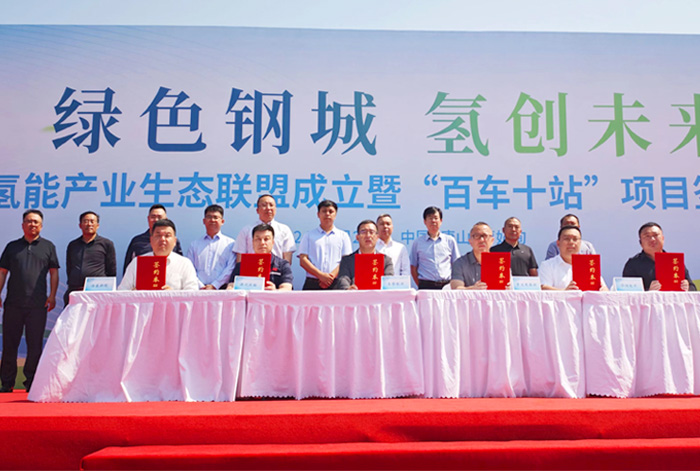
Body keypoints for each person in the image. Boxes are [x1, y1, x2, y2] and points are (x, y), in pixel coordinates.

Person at [0, 210, 59, 393]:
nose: (32, 224)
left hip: (38, 304)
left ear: (41, 225)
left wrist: (52, 296)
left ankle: (31, 382)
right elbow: (2, 272)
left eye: (36, 222)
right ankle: (6, 382)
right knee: (9, 344)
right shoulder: (12, 247)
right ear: (22, 224)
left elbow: (54, 273)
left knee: (35, 345)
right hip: (13, 303)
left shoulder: (48, 246)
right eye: (29, 221)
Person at [119, 219, 198, 291]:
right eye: (158, 235)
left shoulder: (184, 264)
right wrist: (133, 294)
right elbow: (122, 291)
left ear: (174, 241)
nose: (162, 239)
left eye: (167, 235)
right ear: (151, 240)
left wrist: (173, 294)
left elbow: (192, 293)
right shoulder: (137, 262)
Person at [622, 222, 696, 291]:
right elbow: (627, 292)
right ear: (640, 242)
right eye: (647, 236)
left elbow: (693, 288)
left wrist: (687, 287)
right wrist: (648, 291)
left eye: (655, 235)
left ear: (663, 238)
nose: (652, 239)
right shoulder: (633, 264)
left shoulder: (675, 261)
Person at [64, 211, 117, 305]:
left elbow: (111, 270)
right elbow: (69, 267)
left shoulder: (106, 244)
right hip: (75, 291)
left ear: (97, 225)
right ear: (80, 225)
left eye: (92, 221)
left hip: (97, 292)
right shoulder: (73, 245)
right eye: (86, 221)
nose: (89, 224)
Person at [298, 200, 352, 290]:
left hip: (335, 282)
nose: (327, 214)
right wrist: (320, 275)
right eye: (324, 211)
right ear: (318, 214)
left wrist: (330, 277)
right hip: (312, 282)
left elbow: (346, 260)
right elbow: (303, 260)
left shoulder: (343, 236)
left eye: (331, 211)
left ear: (335, 214)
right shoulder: (308, 235)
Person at [226, 223, 293, 291]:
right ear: (252, 242)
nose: (262, 243)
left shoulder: (283, 265)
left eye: (266, 239)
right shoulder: (242, 265)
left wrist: (275, 291)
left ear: (273, 242)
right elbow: (231, 286)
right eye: (258, 239)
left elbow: (287, 288)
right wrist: (231, 288)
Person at [539, 225, 606, 290]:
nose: (571, 242)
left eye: (575, 239)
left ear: (580, 243)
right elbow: (544, 289)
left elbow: (604, 289)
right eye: (566, 239)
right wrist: (565, 292)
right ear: (558, 243)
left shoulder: (589, 264)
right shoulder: (547, 265)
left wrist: (603, 290)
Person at [233, 194, 296, 263]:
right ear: (257, 210)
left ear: (275, 209)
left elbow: (287, 259)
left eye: (271, 205)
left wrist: (283, 269)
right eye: (264, 205)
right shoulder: (246, 230)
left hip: (276, 269)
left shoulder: (284, 230)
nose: (268, 208)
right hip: (251, 268)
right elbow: (240, 257)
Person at [186, 204, 236, 290]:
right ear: (204, 221)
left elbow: (230, 268)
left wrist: (215, 285)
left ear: (222, 221)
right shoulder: (194, 245)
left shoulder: (230, 244)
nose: (212, 220)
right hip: (198, 289)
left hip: (222, 289)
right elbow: (189, 268)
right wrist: (201, 286)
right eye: (209, 217)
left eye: (216, 217)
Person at [123, 204, 182, 274]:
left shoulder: (172, 241)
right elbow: (128, 268)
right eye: (153, 217)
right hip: (143, 278)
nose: (156, 220)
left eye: (159, 217)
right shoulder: (137, 241)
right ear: (148, 219)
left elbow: (179, 264)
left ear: (166, 219)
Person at [410, 206, 460, 289]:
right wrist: (420, 285)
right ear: (425, 221)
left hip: (446, 285)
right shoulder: (418, 242)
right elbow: (413, 267)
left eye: (436, 218)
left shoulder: (450, 241)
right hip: (426, 285)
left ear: (441, 221)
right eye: (430, 218)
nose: (433, 221)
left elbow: (456, 265)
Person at [336, 220, 394, 290]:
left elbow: (388, 282)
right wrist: (348, 289)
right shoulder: (347, 261)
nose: (368, 236)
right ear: (357, 237)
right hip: (354, 296)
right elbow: (343, 279)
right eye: (363, 232)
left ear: (377, 237)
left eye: (371, 232)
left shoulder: (385, 260)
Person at [450, 222, 494, 290]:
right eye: (477, 236)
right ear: (470, 241)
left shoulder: (501, 262)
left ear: (492, 241)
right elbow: (456, 289)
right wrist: (473, 289)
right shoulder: (459, 263)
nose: (481, 240)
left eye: (485, 236)